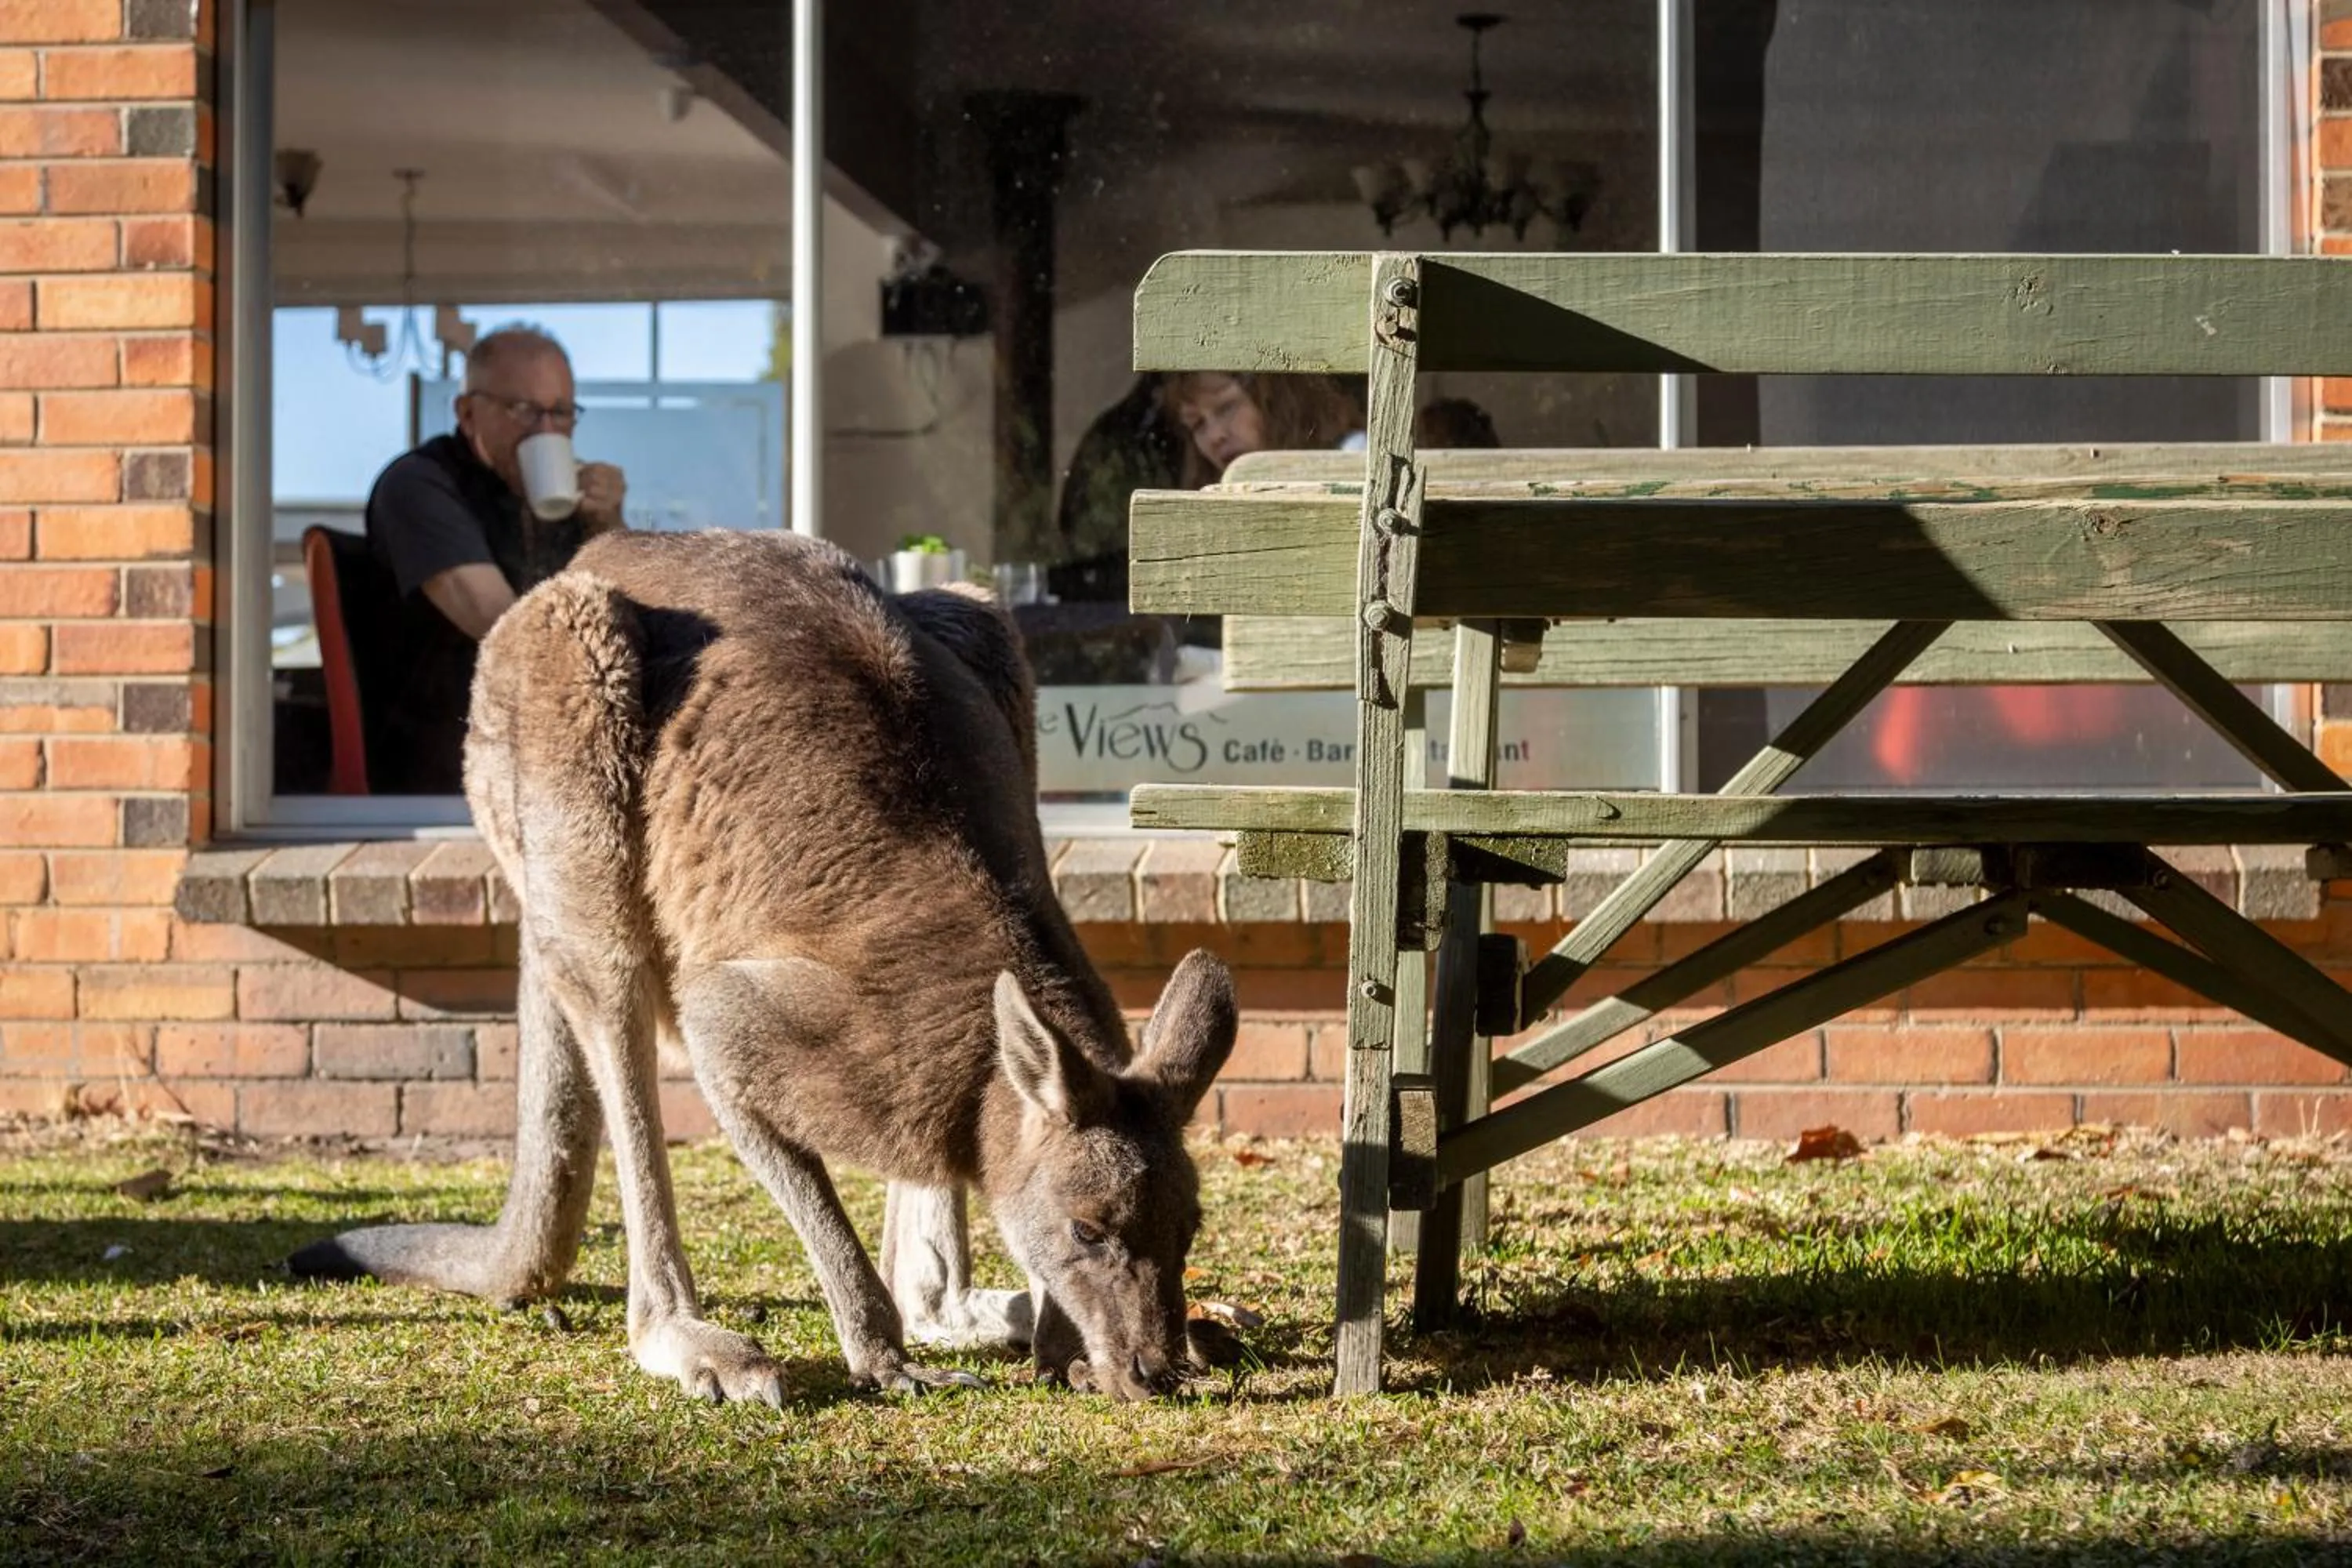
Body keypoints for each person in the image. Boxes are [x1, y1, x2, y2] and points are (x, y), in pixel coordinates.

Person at [361, 325, 628, 793]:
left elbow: (624, 613)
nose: (547, 431)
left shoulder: (562, 498)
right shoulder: (419, 487)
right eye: (524, 410)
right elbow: (504, 627)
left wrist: (608, 525)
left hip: (541, 764)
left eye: (561, 413)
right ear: (467, 414)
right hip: (437, 775)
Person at [1161, 372, 1365, 488]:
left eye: (1226, 408)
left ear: (1276, 400)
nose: (1215, 436)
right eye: (1197, 424)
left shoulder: (1354, 455)